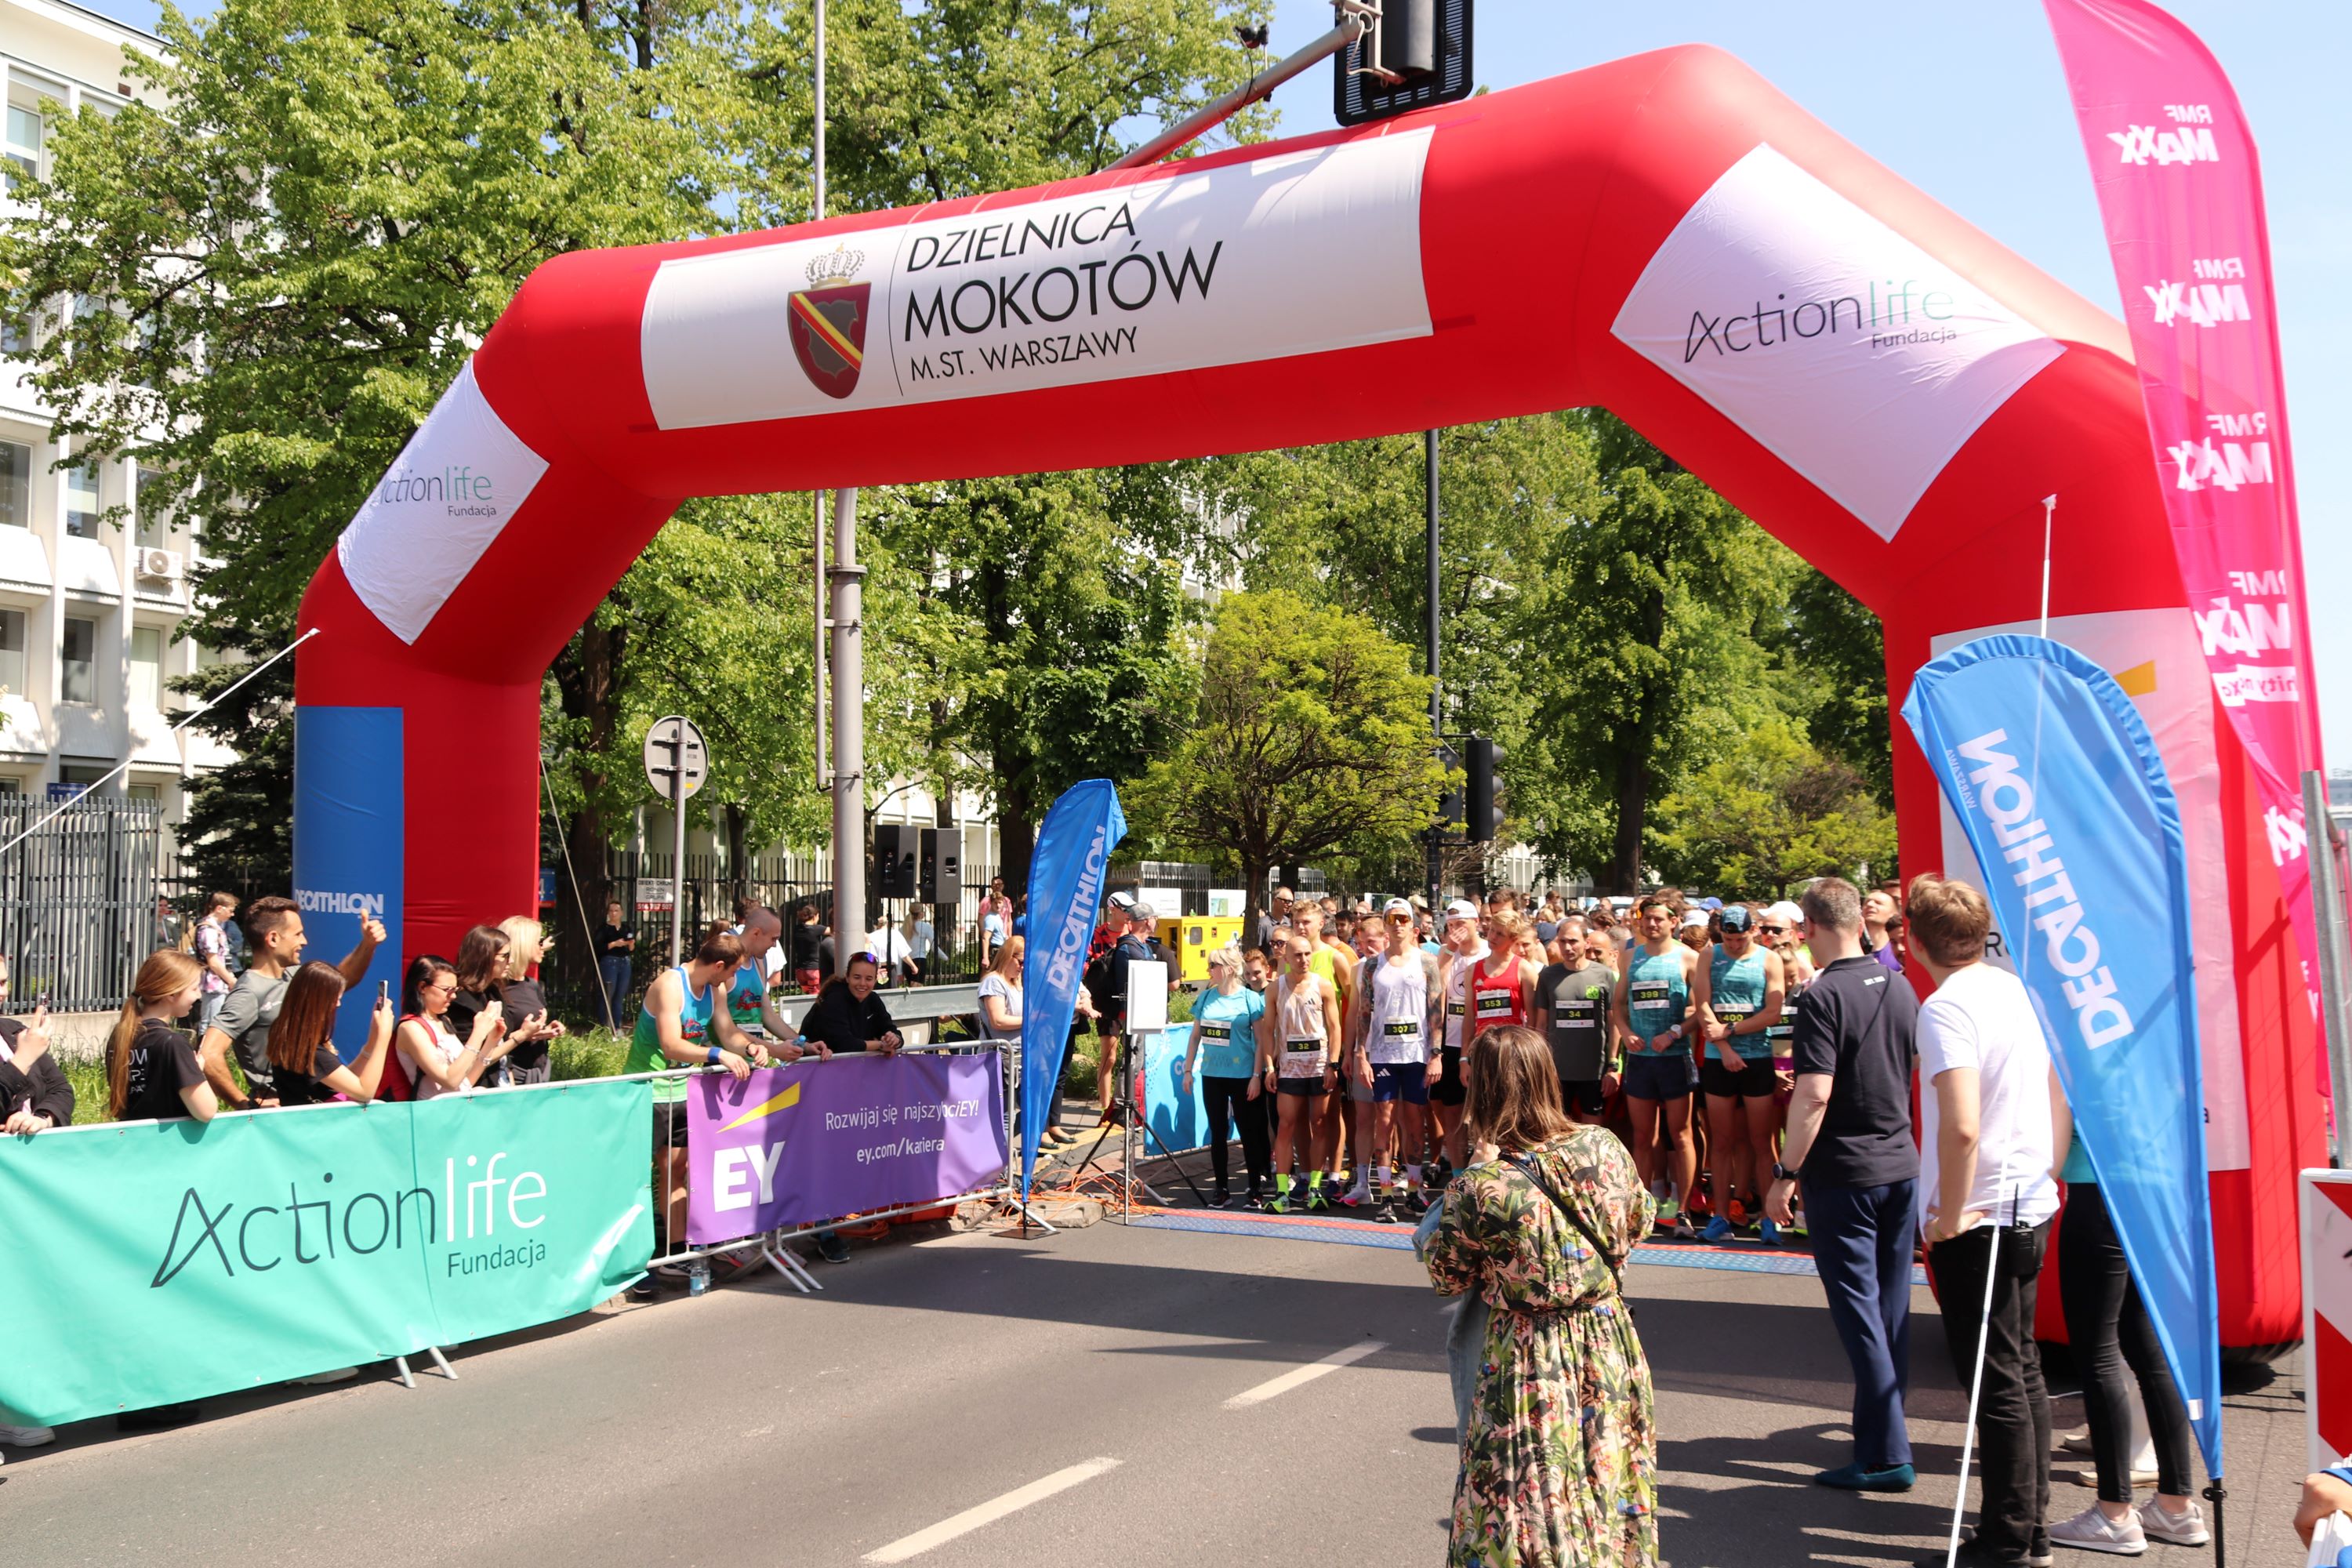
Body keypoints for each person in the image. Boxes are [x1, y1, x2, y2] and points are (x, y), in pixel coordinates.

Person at [1424, 1023, 1657, 1568]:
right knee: (1604, 1488)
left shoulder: (1481, 1185)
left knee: (1525, 1508)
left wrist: (1474, 1171)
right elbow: (1640, 1220)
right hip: (1608, 1343)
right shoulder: (1604, 1145)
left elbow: (1447, 1274)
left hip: (1528, 1357)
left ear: (1483, 1090)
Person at [1907, 874, 2063, 1567]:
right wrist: (2041, 1170)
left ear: (1915, 942)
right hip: (2025, 1198)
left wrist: (1949, 1213)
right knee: (2020, 1369)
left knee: (1997, 1380)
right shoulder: (2012, 988)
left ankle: (2008, 1539)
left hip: (1984, 1213)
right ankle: (2029, 1527)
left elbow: (1962, 1124)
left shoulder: (1947, 1007)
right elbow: (2054, 1092)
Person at [1764, 877, 1920, 1493]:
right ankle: (1883, 1438)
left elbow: (1814, 1093)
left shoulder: (1823, 994)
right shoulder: (1899, 983)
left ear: (1809, 927)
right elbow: (1907, 1065)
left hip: (1847, 1173)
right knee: (1890, 1309)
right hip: (1899, 1164)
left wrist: (1785, 1172)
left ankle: (1885, 1452)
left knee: (1861, 1313)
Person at [2052, 1126, 2210, 1554]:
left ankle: (2114, 1514)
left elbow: (2050, 1147)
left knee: (2099, 1356)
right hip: (2152, 1193)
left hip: (2097, 1197)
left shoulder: (2076, 1074)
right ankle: (2175, 1507)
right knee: (2147, 1349)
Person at [623, 927, 770, 1270]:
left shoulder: (714, 989)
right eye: (732, 972)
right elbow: (671, 1045)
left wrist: (750, 1047)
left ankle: (674, 1253)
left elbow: (728, 1033)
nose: (733, 979)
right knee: (637, 1177)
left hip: (681, 1090)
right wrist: (717, 1054)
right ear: (718, 966)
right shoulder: (670, 985)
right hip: (648, 1091)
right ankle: (631, 1257)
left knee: (677, 1169)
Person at [200, 895, 385, 1110]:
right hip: (281, 1110)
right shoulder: (249, 992)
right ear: (273, 939)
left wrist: (367, 945)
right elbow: (209, 1054)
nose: (304, 941)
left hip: (312, 1100)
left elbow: (338, 983)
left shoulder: (294, 974)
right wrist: (245, 1106)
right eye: (297, 934)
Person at [1345, 898, 1442, 1219]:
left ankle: (1413, 1190)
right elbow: (1364, 1012)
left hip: (1416, 1053)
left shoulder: (1427, 963)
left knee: (1415, 1121)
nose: (1397, 924)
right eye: (1392, 919)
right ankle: (1385, 1195)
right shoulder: (1373, 966)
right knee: (1383, 1121)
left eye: (1403, 919)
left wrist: (1436, 1055)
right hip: (1383, 1054)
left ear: (1412, 925)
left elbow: (1436, 1012)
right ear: (1385, 924)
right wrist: (1360, 1054)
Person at [1695, 904, 1787, 1243]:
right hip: (1719, 1059)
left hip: (1757, 1057)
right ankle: (1720, 1216)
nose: (1734, 945)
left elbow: (1773, 1012)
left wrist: (1731, 1031)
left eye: (1741, 939)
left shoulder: (1769, 959)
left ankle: (1768, 1218)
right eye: (1728, 939)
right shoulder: (1709, 955)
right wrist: (1725, 1048)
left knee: (1762, 1141)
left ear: (1753, 931)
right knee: (1722, 1142)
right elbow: (1702, 1005)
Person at [1613, 894, 1701, 1237]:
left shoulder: (1688, 957)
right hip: (1640, 1060)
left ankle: (1683, 1211)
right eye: (1647, 918)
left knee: (1681, 1135)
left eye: (1659, 919)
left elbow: (1701, 1009)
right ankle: (1642, 1210)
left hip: (1675, 1058)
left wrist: (1675, 1032)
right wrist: (1626, 1033)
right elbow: (1618, 1005)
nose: (1651, 924)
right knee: (1642, 1137)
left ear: (1673, 922)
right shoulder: (1629, 957)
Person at [1179, 945, 1270, 1207]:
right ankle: (1221, 1189)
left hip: (1243, 1076)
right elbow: (1195, 1037)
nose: (1208, 969)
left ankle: (1255, 1187)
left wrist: (1257, 1075)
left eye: (1213, 965)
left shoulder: (1250, 999)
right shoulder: (1206, 998)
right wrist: (1188, 1070)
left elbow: (1261, 1041)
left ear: (1229, 969)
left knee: (1249, 1132)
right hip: (1213, 1074)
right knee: (1217, 1132)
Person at [1263, 931, 1342, 1214]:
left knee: (1319, 1124)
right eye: (1297, 955)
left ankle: (1315, 1189)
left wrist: (1333, 1064)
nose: (1304, 959)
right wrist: (1269, 1067)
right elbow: (1267, 1030)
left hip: (1318, 1065)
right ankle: (1282, 1192)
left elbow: (1335, 1028)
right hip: (1289, 1068)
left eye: (1308, 954)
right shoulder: (1275, 989)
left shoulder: (1323, 985)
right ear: (1286, 957)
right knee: (1286, 1126)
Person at [264, 960, 399, 1105]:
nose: (338, 1005)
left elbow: (345, 1080)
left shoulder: (291, 1037)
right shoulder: (309, 1051)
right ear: (319, 1000)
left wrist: (372, 1041)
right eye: (336, 999)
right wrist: (384, 1037)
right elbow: (365, 1092)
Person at [109, 949, 216, 1123]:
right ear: (171, 994)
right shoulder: (173, 1043)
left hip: (129, 1137)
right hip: (168, 1139)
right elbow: (206, 1111)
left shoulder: (120, 1036)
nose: (199, 995)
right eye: (194, 988)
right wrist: (196, 1071)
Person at [397, 955, 518, 1098]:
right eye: (447, 990)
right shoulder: (411, 1028)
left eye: (455, 990)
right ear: (422, 987)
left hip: (458, 1107)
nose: (454, 996)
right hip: (433, 1110)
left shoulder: (444, 1021)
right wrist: (478, 1033)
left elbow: (465, 1082)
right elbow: (450, 1080)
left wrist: (491, 1041)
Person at [1537, 921, 1618, 1129]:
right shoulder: (1548, 976)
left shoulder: (1604, 975)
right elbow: (1541, 1023)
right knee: (1556, 1129)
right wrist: (1541, 1065)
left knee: (1594, 1130)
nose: (1567, 947)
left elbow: (1614, 1023)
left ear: (1586, 943)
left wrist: (1613, 1065)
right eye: (1562, 941)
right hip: (1557, 1070)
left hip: (1594, 1070)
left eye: (1573, 941)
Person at [1432, 899, 1486, 1179]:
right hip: (1450, 1042)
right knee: (1451, 1113)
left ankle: (1484, 1172)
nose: (1455, 931)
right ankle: (1457, 1175)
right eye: (1451, 925)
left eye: (1461, 924)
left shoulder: (1488, 952)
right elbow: (1435, 990)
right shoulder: (1445, 953)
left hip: (1483, 1045)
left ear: (1476, 923)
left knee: (1484, 1114)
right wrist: (1449, 951)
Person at [728, 907, 815, 1051]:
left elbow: (767, 1014)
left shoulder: (758, 962)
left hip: (754, 1055)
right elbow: (722, 1026)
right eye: (773, 939)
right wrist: (775, 1050)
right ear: (756, 933)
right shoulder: (726, 962)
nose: (774, 945)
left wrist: (805, 1045)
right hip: (726, 1058)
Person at [496, 916, 568, 1085]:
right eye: (539, 941)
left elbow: (532, 1029)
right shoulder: (498, 988)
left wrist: (547, 1031)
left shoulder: (532, 985)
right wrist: (524, 1036)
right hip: (513, 1075)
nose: (543, 946)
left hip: (539, 1072)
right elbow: (493, 1041)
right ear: (524, 945)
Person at [800, 951, 905, 1058]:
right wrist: (881, 1045)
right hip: (815, 1064)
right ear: (847, 977)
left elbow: (889, 1029)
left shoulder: (873, 999)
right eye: (857, 977)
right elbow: (844, 1044)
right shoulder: (834, 999)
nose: (862, 984)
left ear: (875, 980)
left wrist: (895, 1040)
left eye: (868, 979)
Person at [0, 969, 65, 1136]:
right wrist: (23, 1060)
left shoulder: (14, 1031)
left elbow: (61, 1089)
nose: (3, 992)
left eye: (3, 983)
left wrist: (42, 1119)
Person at [192, 891, 239, 1036]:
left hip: (218, 982)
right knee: (210, 1022)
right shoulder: (209, 930)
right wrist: (230, 979)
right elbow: (213, 961)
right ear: (219, 908)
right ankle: (204, 1048)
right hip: (213, 983)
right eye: (230, 910)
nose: (232, 914)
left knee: (213, 1021)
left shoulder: (215, 928)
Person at [595, 896, 637, 1026]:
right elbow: (598, 948)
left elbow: (631, 949)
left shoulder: (626, 928)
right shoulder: (604, 928)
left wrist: (631, 944)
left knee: (619, 996)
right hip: (609, 962)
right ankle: (604, 1026)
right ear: (608, 913)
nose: (614, 913)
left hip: (625, 962)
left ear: (621, 913)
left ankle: (617, 1026)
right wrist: (614, 944)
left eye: (616, 911)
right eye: (611, 911)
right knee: (608, 994)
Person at [1862, 883, 1905, 975]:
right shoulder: (1856, 949)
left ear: (1894, 913)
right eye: (1866, 902)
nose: (1870, 904)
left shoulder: (1901, 948)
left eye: (1878, 903)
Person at [789, 902, 824, 993]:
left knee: (808, 995)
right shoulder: (816, 929)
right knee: (815, 996)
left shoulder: (797, 929)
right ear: (815, 916)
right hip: (813, 970)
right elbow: (834, 930)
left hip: (800, 972)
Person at [979, 876, 1013, 964]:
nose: (998, 886)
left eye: (1000, 884)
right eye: (995, 884)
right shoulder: (986, 901)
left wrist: (1009, 937)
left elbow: (1009, 921)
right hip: (993, 941)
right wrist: (985, 936)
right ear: (991, 886)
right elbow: (980, 920)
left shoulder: (1007, 900)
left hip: (1004, 939)